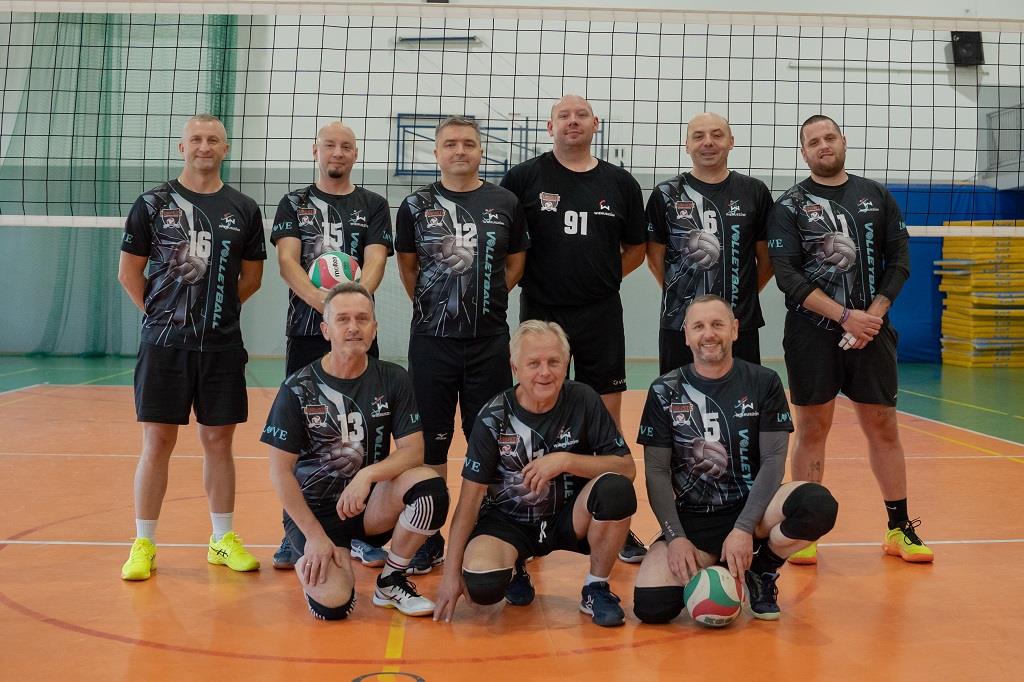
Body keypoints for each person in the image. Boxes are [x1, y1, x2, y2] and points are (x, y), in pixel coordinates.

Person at [767, 114, 933, 565]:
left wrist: (871, 317)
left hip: (872, 332)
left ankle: (899, 528)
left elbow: (900, 260)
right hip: (812, 333)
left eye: (829, 137)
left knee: (883, 427)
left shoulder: (875, 195)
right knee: (812, 429)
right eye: (813, 141)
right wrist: (845, 317)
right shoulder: (789, 205)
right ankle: (805, 528)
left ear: (843, 140)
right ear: (804, 152)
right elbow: (787, 276)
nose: (823, 145)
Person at [500, 93, 648, 563]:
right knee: (532, 415)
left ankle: (613, 520)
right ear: (550, 127)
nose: (572, 121)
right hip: (542, 313)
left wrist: (600, 277)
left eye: (581, 114)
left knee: (606, 420)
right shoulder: (524, 178)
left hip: (600, 313)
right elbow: (507, 245)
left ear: (595, 124)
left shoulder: (620, 182)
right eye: (563, 115)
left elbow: (637, 248)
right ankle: (526, 514)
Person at [117, 113, 266, 580]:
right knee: (157, 442)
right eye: (197, 139)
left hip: (221, 346)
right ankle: (144, 543)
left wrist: (213, 315)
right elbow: (129, 272)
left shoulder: (244, 207)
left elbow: (252, 277)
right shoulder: (152, 203)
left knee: (219, 441)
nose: (205, 146)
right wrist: (162, 316)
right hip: (164, 345)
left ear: (225, 148)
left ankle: (222, 538)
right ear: (182, 147)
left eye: (213, 140)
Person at [633, 295, 839, 622]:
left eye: (717, 324)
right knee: (652, 607)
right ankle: (720, 562)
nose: (709, 334)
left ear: (734, 329)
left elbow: (773, 460)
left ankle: (761, 569)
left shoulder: (763, 382)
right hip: (694, 518)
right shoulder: (664, 390)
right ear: (686, 335)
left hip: (753, 510)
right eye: (699, 326)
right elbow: (656, 471)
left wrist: (743, 527)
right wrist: (676, 537)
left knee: (817, 505)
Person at [263, 283, 450, 619]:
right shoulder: (298, 387)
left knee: (429, 486)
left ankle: (391, 581)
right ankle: (315, 557)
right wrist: (314, 537)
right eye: (343, 319)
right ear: (326, 330)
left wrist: (367, 476)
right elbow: (280, 472)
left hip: (368, 506)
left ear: (374, 328)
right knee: (334, 605)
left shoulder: (393, 378)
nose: (354, 327)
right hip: (317, 513)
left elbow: (413, 451)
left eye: (362, 319)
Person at [433, 320, 638, 628]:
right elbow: (468, 503)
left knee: (617, 490)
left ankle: (595, 587)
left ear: (566, 364)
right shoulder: (493, 417)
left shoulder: (583, 399)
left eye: (554, 362)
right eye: (534, 363)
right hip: (509, 521)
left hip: (569, 517)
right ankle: (515, 565)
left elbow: (627, 467)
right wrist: (450, 576)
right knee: (483, 587)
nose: (545, 372)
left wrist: (565, 461)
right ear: (515, 368)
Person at [395, 115, 530, 574]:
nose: (460, 150)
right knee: (431, 443)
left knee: (491, 439)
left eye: (468, 143)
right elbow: (408, 267)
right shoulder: (416, 205)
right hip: (432, 342)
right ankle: (428, 534)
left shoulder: (505, 201)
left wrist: (485, 301)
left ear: (480, 151)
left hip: (489, 341)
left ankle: (493, 530)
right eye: (450, 143)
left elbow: (515, 263)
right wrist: (437, 309)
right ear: (436, 153)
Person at [270, 121, 394, 569]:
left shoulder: (373, 205)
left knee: (368, 431)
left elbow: (376, 261)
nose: (337, 152)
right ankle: (295, 531)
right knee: (302, 436)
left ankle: (360, 532)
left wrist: (351, 304)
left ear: (355, 154)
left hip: (356, 336)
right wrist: (326, 304)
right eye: (329, 145)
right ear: (315, 151)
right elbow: (287, 262)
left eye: (346, 146)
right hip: (307, 333)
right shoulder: (294, 202)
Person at [646, 112, 774, 374]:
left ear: (731, 141)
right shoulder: (665, 194)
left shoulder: (754, 191)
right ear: (687, 145)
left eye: (717, 135)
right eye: (698, 136)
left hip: (739, 320)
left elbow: (767, 258)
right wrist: (680, 295)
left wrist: (743, 295)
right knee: (679, 396)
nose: (708, 142)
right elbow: (654, 258)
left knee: (744, 395)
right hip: (680, 322)